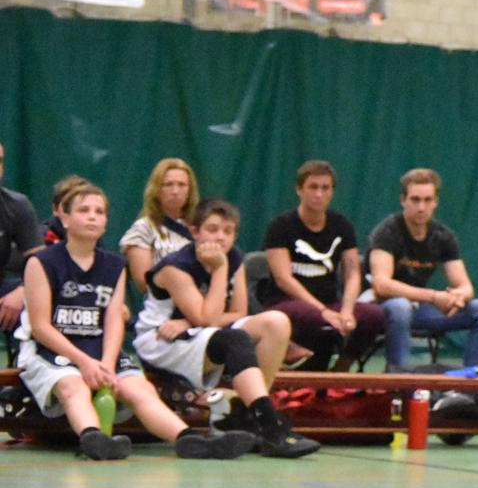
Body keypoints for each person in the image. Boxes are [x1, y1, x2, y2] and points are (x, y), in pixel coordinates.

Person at [17, 184, 261, 460]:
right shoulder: (42, 262)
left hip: (99, 348)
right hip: (51, 348)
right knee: (73, 386)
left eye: (99, 211)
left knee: (140, 389)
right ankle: (93, 438)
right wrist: (83, 362)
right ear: (65, 218)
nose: (93, 216)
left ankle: (190, 440)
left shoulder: (113, 265)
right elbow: (40, 327)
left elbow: (113, 321)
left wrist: (107, 362)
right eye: (84, 210)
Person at [135, 198, 320, 457]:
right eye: (212, 229)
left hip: (197, 332)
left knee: (276, 322)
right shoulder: (175, 267)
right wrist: (220, 270)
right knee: (235, 339)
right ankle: (270, 425)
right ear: (194, 231)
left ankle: (247, 414)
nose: (220, 237)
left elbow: (238, 312)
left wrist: (189, 320)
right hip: (160, 340)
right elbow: (207, 318)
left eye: (228, 231)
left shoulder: (234, 257)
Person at [366, 168, 478, 372]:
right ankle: (398, 380)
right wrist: (434, 296)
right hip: (382, 306)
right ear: (403, 200)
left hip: (422, 309)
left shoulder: (443, 236)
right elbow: (381, 285)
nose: (421, 207)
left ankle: (473, 381)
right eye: (415, 200)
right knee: (401, 307)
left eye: (427, 200)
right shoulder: (387, 231)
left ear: (435, 202)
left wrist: (457, 297)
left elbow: (465, 286)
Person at [261, 161, 385, 368]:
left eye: (325, 188)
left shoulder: (342, 225)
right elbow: (283, 279)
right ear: (299, 189)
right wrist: (322, 311)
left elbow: (353, 274)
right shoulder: (280, 226)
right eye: (313, 187)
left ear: (332, 192)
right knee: (315, 317)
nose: (319, 194)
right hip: (286, 303)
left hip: (330, 304)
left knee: (374, 315)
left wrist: (346, 311)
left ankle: (342, 368)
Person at [119, 157, 200, 299]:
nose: (175, 191)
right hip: (164, 306)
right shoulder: (143, 229)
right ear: (156, 189)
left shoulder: (200, 226)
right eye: (168, 185)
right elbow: (145, 284)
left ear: (190, 190)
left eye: (182, 185)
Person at [0, 138, 41, 335]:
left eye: (0, 161)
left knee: (39, 296)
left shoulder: (17, 205)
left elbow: (41, 263)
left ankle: (34, 354)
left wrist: (22, 291)